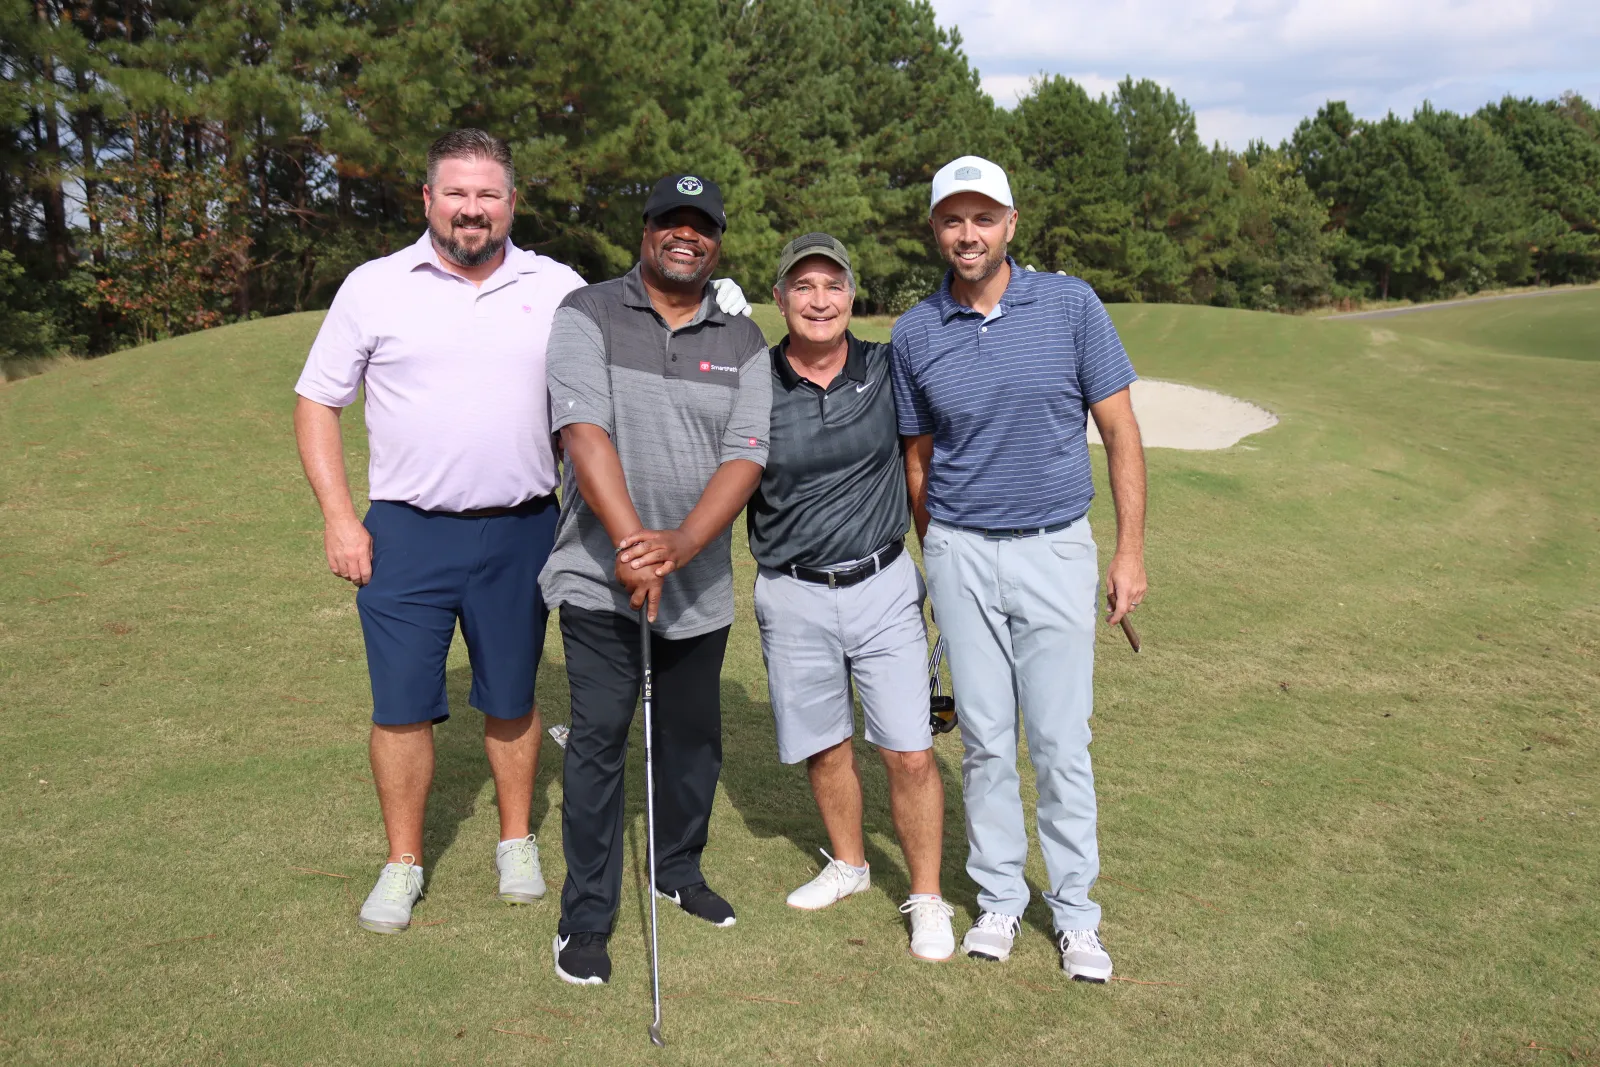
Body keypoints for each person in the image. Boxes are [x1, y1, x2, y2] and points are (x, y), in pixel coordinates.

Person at [293, 132, 749, 935]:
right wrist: (338, 517)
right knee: (400, 703)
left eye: (490, 194)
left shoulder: (559, 287)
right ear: (427, 199)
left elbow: (635, 328)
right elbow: (317, 401)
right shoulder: (374, 287)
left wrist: (721, 307)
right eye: (458, 193)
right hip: (406, 529)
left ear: (512, 203)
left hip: (523, 527)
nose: (474, 208)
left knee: (510, 697)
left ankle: (515, 840)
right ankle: (402, 862)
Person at [891, 155, 1148, 981]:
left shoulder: (1071, 305)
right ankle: (1000, 897)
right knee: (988, 743)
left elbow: (1121, 432)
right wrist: (942, 552)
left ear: (1011, 223)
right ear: (936, 229)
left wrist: (1130, 550)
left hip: (1055, 546)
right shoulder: (915, 331)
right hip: (962, 551)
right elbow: (919, 461)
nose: (968, 234)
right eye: (952, 220)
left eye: (983, 218)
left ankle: (1076, 913)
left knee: (1061, 741)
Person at [540, 174, 770, 986]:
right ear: (644, 231)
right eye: (670, 222)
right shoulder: (589, 314)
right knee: (600, 737)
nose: (685, 236)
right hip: (599, 576)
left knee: (691, 741)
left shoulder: (742, 340)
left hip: (697, 578)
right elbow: (583, 428)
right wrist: (637, 545)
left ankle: (678, 869)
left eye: (700, 226)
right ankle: (587, 914)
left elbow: (746, 453)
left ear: (715, 241)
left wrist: (677, 546)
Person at [746, 233, 956, 961]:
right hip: (791, 590)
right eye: (801, 286)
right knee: (824, 744)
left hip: (883, 585)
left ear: (852, 295)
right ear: (779, 299)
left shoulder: (885, 365)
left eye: (831, 285)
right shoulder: (755, 378)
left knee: (909, 751)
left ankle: (925, 895)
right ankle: (850, 863)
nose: (818, 299)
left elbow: (927, 452)